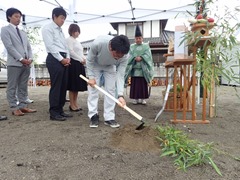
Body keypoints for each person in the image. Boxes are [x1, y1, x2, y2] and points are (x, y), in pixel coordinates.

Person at [86, 34, 130, 128]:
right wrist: (91, 76)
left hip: (110, 67)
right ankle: (93, 115)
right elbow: (89, 60)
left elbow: (120, 75)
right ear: (110, 47)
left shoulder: (125, 55)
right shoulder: (98, 43)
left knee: (111, 90)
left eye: (120, 56)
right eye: (116, 55)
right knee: (93, 90)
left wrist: (120, 95)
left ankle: (109, 117)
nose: (118, 58)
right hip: (96, 65)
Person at [0, 7, 37, 116]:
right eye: (16, 16)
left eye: (19, 17)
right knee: (12, 86)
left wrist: (30, 59)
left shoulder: (23, 32)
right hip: (14, 63)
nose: (18, 19)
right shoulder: (5, 30)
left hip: (26, 64)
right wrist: (21, 59)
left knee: (23, 86)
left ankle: (23, 105)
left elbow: (29, 48)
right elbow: (9, 47)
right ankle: (14, 107)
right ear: (9, 17)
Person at [42, 7, 72, 121]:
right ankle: (54, 112)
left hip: (64, 58)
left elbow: (65, 46)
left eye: (64, 18)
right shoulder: (47, 29)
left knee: (63, 86)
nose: (63, 21)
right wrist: (61, 59)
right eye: (61, 18)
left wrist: (68, 58)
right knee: (56, 86)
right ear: (54, 16)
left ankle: (60, 109)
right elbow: (51, 46)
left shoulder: (60, 30)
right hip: (55, 59)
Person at [125, 24, 154, 105]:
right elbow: (129, 55)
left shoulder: (146, 46)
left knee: (143, 84)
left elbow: (148, 55)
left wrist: (142, 57)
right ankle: (135, 98)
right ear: (134, 39)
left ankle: (143, 98)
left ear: (142, 38)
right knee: (135, 84)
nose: (138, 40)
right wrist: (134, 58)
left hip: (143, 68)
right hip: (135, 68)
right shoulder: (132, 46)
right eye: (137, 38)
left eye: (139, 38)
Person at [66, 24, 87, 112]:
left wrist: (84, 59)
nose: (77, 33)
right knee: (73, 86)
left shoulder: (77, 41)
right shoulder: (69, 40)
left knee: (77, 86)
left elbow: (80, 52)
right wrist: (80, 59)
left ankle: (75, 103)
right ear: (71, 31)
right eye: (75, 31)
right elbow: (70, 51)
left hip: (79, 64)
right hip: (73, 64)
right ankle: (72, 104)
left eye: (78, 31)